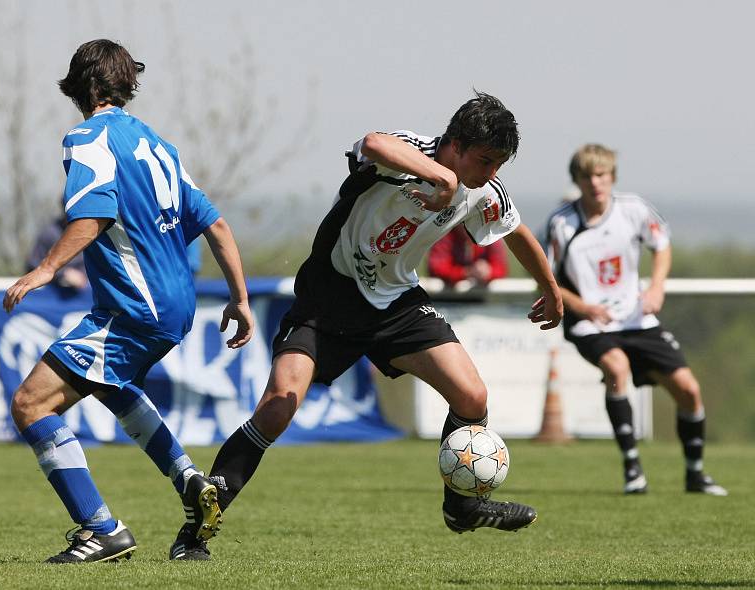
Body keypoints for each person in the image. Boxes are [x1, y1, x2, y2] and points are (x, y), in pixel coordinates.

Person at [205, 91, 563, 536]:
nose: (490, 174)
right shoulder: (409, 154)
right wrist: (440, 177)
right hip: (329, 297)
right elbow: (372, 143)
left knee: (472, 397)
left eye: (498, 166)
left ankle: (463, 508)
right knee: (278, 407)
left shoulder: (481, 189)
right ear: (456, 143)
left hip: (396, 302)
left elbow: (515, 231)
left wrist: (549, 286)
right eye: (485, 160)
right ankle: (199, 524)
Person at [3, 39, 254, 563]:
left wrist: (46, 268)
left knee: (30, 404)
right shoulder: (158, 145)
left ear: (85, 85)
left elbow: (91, 216)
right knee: (111, 385)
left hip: (135, 307)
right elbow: (218, 225)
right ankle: (189, 481)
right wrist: (240, 299)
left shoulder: (88, 138)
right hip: (175, 305)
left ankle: (101, 529)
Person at [545, 143, 727, 496]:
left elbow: (661, 245)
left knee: (689, 390)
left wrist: (657, 287)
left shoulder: (634, 210)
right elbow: (546, 280)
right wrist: (582, 307)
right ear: (577, 181)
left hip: (636, 320)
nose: (595, 182)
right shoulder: (562, 223)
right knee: (616, 368)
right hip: (591, 323)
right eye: (587, 176)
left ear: (612, 178)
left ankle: (696, 474)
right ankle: (632, 469)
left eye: (602, 175)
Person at [428, 224, 508, 287]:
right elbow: (436, 268)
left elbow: (501, 268)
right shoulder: (444, 234)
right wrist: (467, 272)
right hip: (444, 300)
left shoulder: (489, 234)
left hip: (479, 300)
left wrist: (488, 271)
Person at [26, 212, 89, 292]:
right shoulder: (49, 234)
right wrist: (63, 273)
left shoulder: (90, 231)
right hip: (50, 294)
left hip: (84, 294)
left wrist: (82, 275)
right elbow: (33, 265)